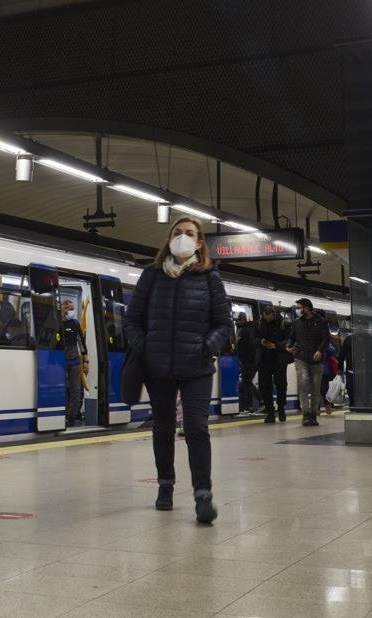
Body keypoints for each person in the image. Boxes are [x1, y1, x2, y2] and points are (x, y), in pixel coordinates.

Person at [124, 217, 231, 525]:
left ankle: (203, 494)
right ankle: (165, 486)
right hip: (157, 367)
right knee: (163, 427)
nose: (182, 237)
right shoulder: (152, 275)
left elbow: (224, 323)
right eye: (177, 232)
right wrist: (144, 345)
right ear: (168, 239)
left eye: (189, 234)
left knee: (197, 428)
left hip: (196, 367)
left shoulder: (210, 278)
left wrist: (205, 347)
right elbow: (132, 319)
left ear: (199, 243)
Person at [289, 298, 330, 427]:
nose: (298, 310)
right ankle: (306, 414)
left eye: (299, 307)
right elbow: (292, 338)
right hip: (301, 358)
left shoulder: (322, 322)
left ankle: (313, 413)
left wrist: (320, 351)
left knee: (316, 388)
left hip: (316, 360)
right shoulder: (296, 323)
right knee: (304, 383)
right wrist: (289, 347)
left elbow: (326, 339)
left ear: (306, 308)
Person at [256, 306, 291, 424]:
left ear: (273, 314)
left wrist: (276, 346)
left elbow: (289, 340)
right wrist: (260, 342)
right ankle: (270, 412)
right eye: (264, 316)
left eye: (268, 316)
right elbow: (253, 338)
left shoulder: (283, 324)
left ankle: (281, 408)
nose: (266, 319)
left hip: (279, 359)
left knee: (281, 385)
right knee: (264, 386)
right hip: (264, 359)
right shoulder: (259, 324)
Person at [61, 299, 89, 427]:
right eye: (67, 308)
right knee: (62, 388)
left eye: (72, 309)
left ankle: (72, 415)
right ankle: (62, 413)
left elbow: (81, 343)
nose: (70, 311)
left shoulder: (75, 323)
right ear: (61, 308)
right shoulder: (56, 323)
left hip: (74, 360)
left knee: (75, 389)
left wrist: (86, 361)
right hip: (59, 361)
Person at [236, 314, 259, 413]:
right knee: (247, 382)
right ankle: (259, 401)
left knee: (246, 383)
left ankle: (248, 406)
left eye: (238, 320)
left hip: (249, 361)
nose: (237, 322)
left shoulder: (245, 331)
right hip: (251, 361)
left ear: (243, 320)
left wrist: (240, 358)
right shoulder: (250, 329)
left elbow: (244, 347)